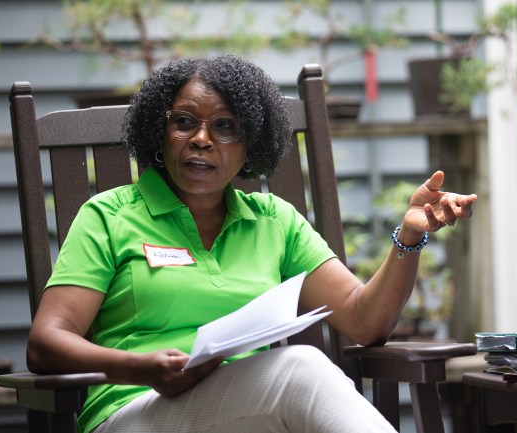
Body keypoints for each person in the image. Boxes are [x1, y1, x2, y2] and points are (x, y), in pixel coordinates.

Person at [26, 55, 478, 433]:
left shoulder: (274, 221)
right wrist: (138, 367)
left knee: (299, 374)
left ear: (250, 148)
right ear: (158, 135)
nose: (202, 139)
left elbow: (364, 321)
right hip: (135, 412)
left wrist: (410, 235)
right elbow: (45, 343)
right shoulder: (109, 216)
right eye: (184, 122)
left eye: (225, 127)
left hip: (249, 413)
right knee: (301, 367)